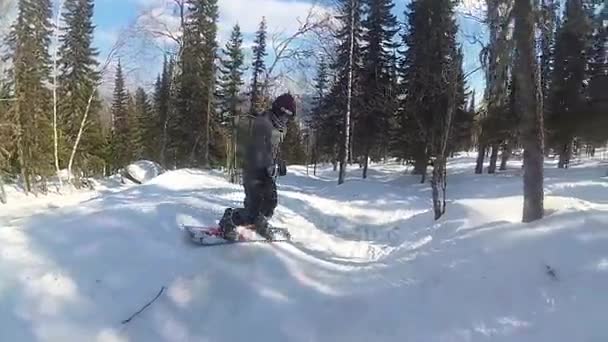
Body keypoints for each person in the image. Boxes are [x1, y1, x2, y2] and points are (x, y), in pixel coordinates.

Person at [218, 93, 296, 240]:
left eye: (288, 118)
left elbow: (273, 149)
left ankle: (257, 221)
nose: (285, 120)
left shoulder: (279, 128)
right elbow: (256, 147)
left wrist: (280, 163)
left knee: (268, 202)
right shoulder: (263, 122)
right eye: (284, 115)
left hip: (265, 170)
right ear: (278, 110)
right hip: (253, 168)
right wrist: (267, 163)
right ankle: (229, 219)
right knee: (256, 204)